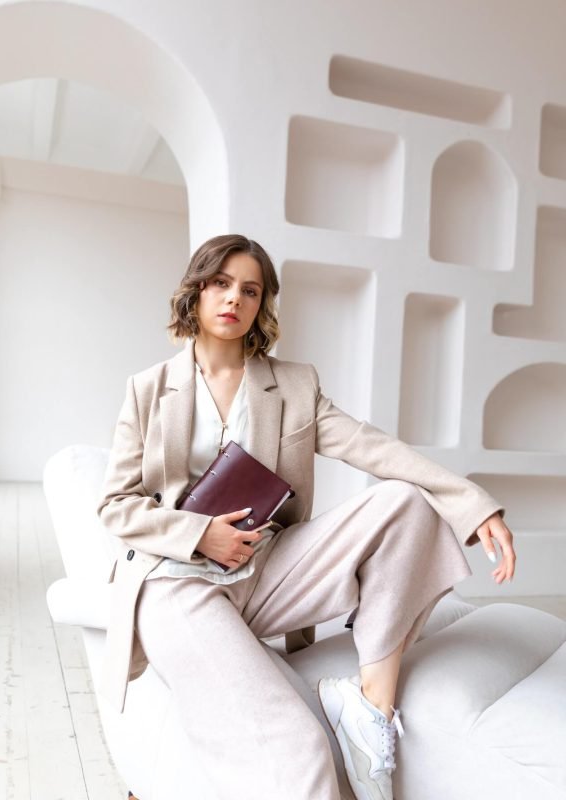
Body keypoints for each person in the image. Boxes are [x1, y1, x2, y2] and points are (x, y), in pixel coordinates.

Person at [97, 233, 516, 800]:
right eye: (220, 284)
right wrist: (201, 535)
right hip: (177, 586)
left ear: (262, 302)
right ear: (196, 292)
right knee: (301, 749)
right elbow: (116, 505)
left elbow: (374, 448)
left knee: (406, 502)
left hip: (267, 571)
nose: (233, 300)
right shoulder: (148, 390)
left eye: (250, 289)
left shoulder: (293, 384)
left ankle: (370, 709)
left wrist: (471, 503)